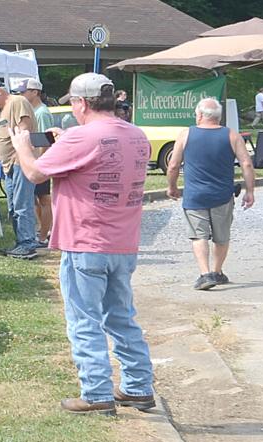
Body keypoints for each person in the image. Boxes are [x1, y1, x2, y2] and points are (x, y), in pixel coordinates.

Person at [10, 73, 154, 415]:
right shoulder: (137, 135)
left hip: (85, 240)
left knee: (83, 319)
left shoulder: (81, 137)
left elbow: (34, 174)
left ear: (82, 103)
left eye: (73, 103)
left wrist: (22, 148)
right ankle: (138, 387)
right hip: (124, 241)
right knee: (121, 317)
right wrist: (65, 141)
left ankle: (96, 392)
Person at [166, 97, 257, 290]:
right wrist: (250, 191)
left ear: (199, 115)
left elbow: (173, 165)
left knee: (199, 236)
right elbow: (247, 163)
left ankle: (205, 274)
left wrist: (172, 187)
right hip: (223, 195)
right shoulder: (232, 135)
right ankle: (217, 271)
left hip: (194, 196)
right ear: (219, 116)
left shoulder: (186, 135)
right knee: (221, 236)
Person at [0, 81, 38, 258]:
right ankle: (21, 242)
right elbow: (0, 141)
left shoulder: (17, 102)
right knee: (13, 207)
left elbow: (24, 132)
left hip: (21, 162)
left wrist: (22, 156)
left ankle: (27, 243)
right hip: (9, 166)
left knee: (23, 205)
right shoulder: (0, 110)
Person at [15, 77, 57, 247]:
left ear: (35, 92)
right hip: (34, 160)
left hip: (40, 161)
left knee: (44, 198)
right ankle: (43, 231)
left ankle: (45, 235)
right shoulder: (34, 111)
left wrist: (41, 163)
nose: (21, 95)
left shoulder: (41, 113)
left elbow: (46, 139)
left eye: (24, 92)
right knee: (35, 199)